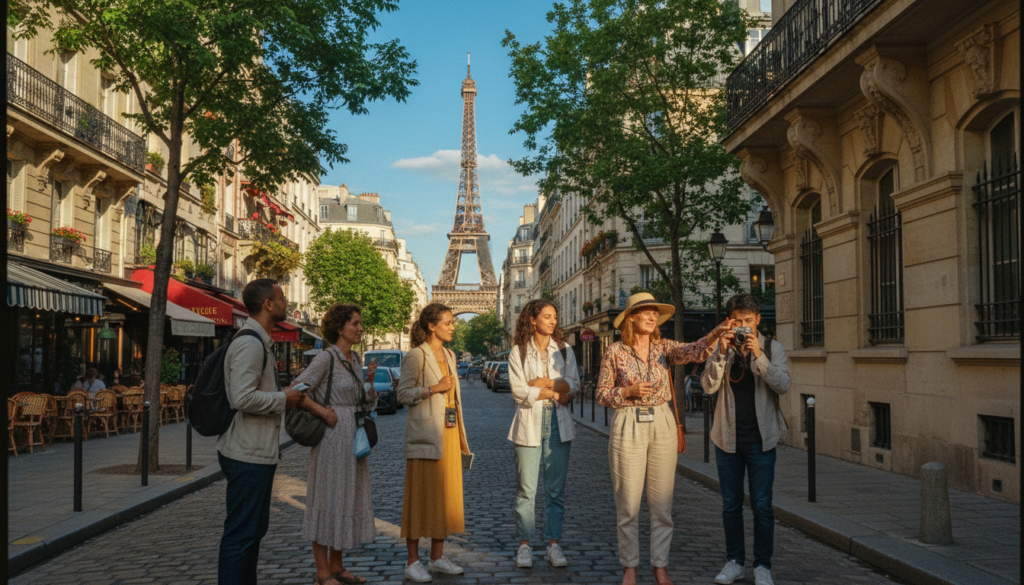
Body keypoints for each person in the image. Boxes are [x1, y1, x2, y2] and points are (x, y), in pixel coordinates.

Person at [596, 292, 733, 585]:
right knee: (628, 505)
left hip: (662, 420)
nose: (651, 316)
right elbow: (601, 393)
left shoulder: (664, 347)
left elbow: (694, 351)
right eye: (645, 311)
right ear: (631, 317)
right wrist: (626, 392)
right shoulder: (615, 351)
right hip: (627, 421)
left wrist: (714, 334)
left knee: (662, 503)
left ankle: (660, 565)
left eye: (654, 312)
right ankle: (629, 567)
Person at [216, 278, 316, 585]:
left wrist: (282, 391)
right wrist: (283, 398)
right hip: (246, 453)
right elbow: (241, 398)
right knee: (241, 536)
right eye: (282, 298)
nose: (288, 303)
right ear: (268, 304)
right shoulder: (249, 343)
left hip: (256, 451)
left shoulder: (260, 341)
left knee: (251, 534)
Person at [701, 293, 790, 585]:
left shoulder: (771, 348)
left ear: (758, 321)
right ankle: (735, 561)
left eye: (747, 322)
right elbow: (708, 386)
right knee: (730, 505)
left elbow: (784, 384)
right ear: (729, 322)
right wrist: (720, 353)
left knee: (762, 506)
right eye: (737, 322)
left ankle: (762, 566)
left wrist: (758, 356)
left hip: (761, 441)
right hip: (727, 439)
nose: (742, 327)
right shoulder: (722, 348)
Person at [289, 304, 379, 585]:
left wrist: (369, 385)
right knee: (327, 499)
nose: (360, 328)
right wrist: (323, 412)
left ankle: (337, 566)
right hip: (331, 438)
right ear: (340, 328)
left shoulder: (353, 360)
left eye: (360, 323)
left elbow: (360, 402)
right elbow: (297, 389)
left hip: (351, 438)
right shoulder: (326, 358)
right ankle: (321, 572)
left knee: (346, 498)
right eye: (355, 323)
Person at [396, 303, 474, 583]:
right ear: (432, 326)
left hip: (450, 433)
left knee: (446, 497)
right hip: (426, 434)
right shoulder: (417, 355)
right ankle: (412, 561)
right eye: (449, 322)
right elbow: (402, 394)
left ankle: (437, 557)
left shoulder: (451, 354)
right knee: (419, 498)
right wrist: (434, 389)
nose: (454, 326)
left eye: (453, 322)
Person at [507, 299, 580, 569]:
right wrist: (553, 392)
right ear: (532, 319)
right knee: (526, 490)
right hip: (528, 424)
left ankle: (553, 545)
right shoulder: (519, 352)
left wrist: (546, 382)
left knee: (555, 491)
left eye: (554, 317)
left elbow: (574, 384)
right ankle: (524, 546)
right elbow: (518, 391)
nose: (553, 321)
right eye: (547, 316)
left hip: (559, 424)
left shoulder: (564, 350)